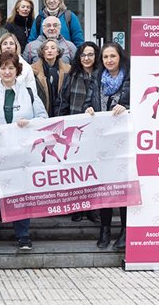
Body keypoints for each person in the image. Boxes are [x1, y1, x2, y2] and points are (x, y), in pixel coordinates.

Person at [0, 51, 47, 251]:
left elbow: (44, 117)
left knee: (20, 193)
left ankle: (23, 234)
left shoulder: (28, 92)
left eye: (11, 67)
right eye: (3, 68)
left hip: (20, 154)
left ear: (17, 69)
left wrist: (30, 123)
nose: (7, 71)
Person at [84, 42, 130, 251]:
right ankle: (104, 229)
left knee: (122, 187)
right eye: (105, 57)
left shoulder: (130, 79)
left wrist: (127, 107)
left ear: (120, 57)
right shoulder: (96, 79)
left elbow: (142, 104)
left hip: (124, 142)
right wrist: (89, 109)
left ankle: (124, 231)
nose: (109, 60)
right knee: (104, 187)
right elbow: (87, 103)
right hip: (102, 142)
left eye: (112, 56)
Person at [56, 41, 101, 223]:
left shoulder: (101, 76)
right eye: (83, 55)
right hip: (74, 130)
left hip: (95, 131)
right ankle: (77, 207)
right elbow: (63, 101)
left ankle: (92, 208)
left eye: (90, 55)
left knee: (92, 170)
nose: (87, 58)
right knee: (75, 170)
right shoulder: (71, 75)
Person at [31, 39, 71, 117]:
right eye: (46, 49)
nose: (49, 51)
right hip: (41, 113)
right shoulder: (33, 70)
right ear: (42, 52)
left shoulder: (68, 70)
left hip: (62, 113)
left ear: (58, 52)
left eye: (53, 48)